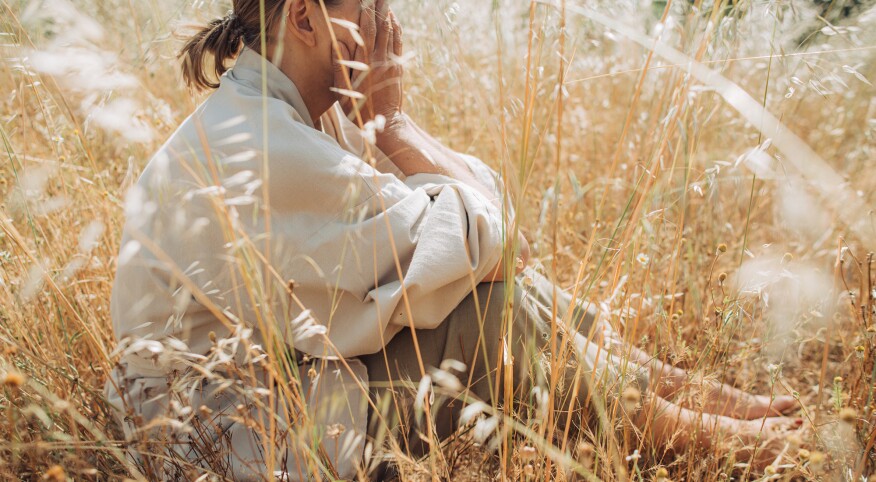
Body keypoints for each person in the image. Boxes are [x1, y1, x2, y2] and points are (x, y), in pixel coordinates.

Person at [104, 0, 803, 480]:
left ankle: (687, 397)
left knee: (502, 293)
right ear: (306, 16)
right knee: (485, 317)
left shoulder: (301, 117)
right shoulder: (256, 138)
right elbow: (486, 239)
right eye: (368, 5)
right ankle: (701, 436)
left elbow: (493, 238)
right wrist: (398, 127)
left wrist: (390, 125)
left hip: (290, 390)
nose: (386, 24)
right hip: (234, 446)